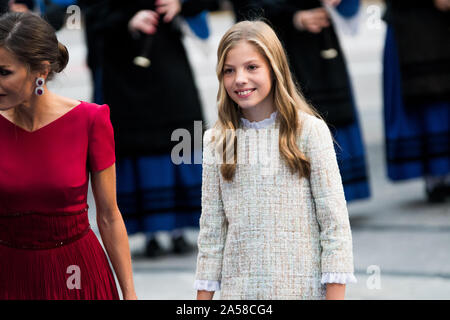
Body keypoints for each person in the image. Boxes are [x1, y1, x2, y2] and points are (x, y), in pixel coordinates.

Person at [195, 20, 356, 300]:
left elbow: (335, 227)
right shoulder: (216, 141)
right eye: (229, 71)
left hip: (301, 291)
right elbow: (211, 234)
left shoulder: (310, 132)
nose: (240, 79)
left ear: (275, 68)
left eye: (252, 67)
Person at [0, 12, 137, 299]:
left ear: (41, 71)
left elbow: (110, 216)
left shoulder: (91, 120)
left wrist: (129, 294)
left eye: (4, 72)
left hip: (76, 273)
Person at [81, 0, 221, 258]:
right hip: (122, 67)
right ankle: (150, 233)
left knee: (183, 136)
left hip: (168, 61)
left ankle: (181, 229)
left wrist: (180, 4)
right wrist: (127, 20)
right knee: (135, 142)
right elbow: (89, 12)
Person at [253, 0, 370, 203]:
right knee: (295, 115)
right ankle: (301, 194)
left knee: (332, 112)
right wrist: (293, 18)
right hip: (283, 43)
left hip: (321, 40)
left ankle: (337, 193)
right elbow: (250, 8)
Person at [382, 0, 450, 203]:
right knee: (425, 99)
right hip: (412, 28)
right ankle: (435, 177)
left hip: (440, 25)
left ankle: (441, 175)